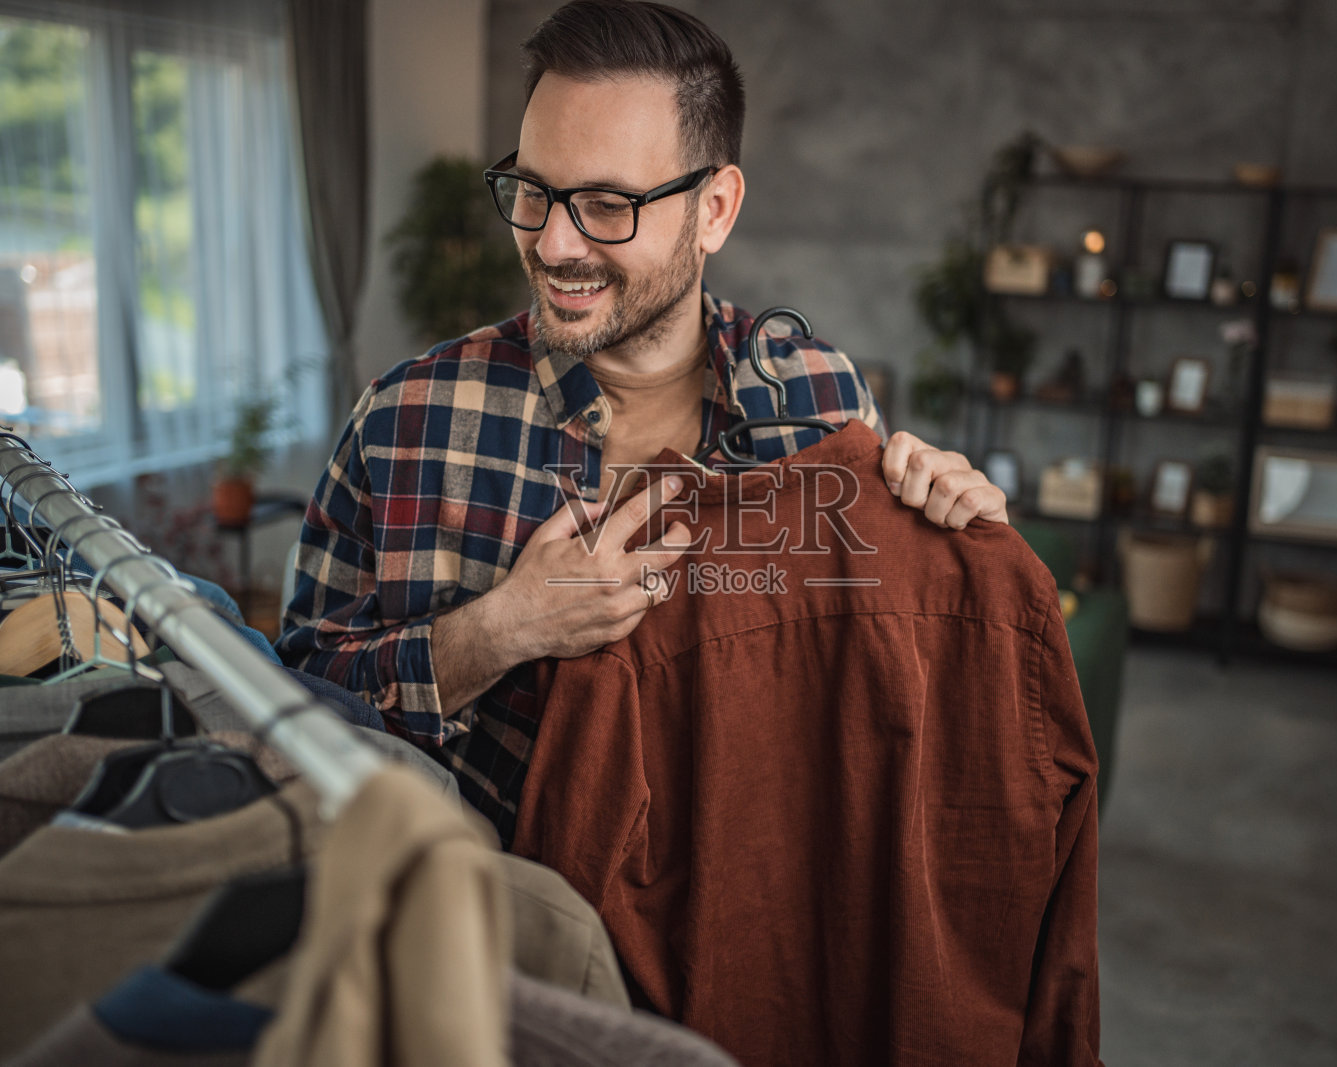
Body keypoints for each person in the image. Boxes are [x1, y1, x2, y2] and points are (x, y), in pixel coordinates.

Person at [277, 0, 1010, 844]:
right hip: (485, 931)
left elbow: (873, 685)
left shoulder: (820, 402)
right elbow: (295, 697)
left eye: (606, 203)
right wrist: (499, 630)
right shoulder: (406, 419)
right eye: (534, 191)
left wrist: (956, 526)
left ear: (716, 210)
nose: (553, 245)